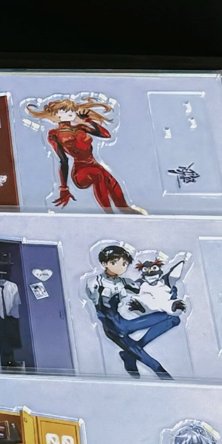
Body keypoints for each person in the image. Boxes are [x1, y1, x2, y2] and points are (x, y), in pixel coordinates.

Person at [27, 95, 142, 214]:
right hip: (80, 172)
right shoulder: (54, 134)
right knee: (98, 174)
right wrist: (64, 188)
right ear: (56, 114)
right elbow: (63, 160)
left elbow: (106, 135)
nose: (70, 112)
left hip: (95, 165)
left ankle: (130, 214)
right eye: (65, 110)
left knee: (114, 188)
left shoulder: (81, 128)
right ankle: (108, 214)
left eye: (72, 110)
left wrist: (88, 120)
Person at [87, 242, 179, 378]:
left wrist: (166, 287)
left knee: (173, 319)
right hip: (114, 328)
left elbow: (141, 288)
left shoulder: (124, 282)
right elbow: (96, 300)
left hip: (124, 324)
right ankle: (165, 378)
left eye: (124, 264)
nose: (120, 267)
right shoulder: (95, 282)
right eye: (114, 263)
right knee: (153, 365)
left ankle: (128, 355)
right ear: (105, 263)